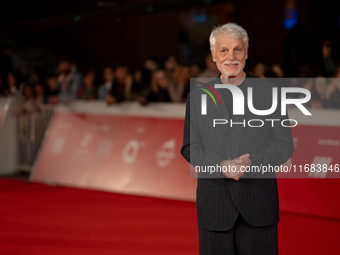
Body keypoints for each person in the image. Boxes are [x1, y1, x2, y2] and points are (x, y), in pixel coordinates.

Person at [181, 23, 294, 255]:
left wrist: (252, 162)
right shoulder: (197, 97)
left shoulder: (269, 92)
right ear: (213, 54)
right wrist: (221, 165)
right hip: (215, 206)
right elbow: (190, 147)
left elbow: (284, 145)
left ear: (247, 51)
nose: (231, 57)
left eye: (237, 50)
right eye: (223, 50)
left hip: (258, 204)